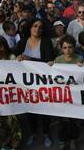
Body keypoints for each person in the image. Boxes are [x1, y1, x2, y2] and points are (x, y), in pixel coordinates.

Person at [14, 18, 55, 147]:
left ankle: (46, 133)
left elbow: (48, 61)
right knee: (30, 110)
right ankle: (32, 133)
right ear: (29, 28)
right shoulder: (22, 42)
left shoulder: (47, 42)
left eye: (40, 27)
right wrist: (18, 57)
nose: (37, 29)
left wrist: (29, 58)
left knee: (44, 110)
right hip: (26, 83)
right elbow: (13, 56)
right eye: (35, 26)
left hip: (42, 82)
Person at [0, 36, 22, 150]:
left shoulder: (11, 58)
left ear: (1, 47)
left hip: (12, 97)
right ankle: (5, 144)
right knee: (0, 124)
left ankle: (15, 145)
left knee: (13, 123)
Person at [49, 34, 82, 150]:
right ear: (61, 48)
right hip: (62, 96)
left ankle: (73, 140)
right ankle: (62, 140)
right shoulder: (58, 60)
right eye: (65, 47)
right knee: (62, 121)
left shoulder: (79, 59)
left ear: (74, 47)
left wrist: (83, 66)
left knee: (73, 120)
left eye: (70, 47)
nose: (68, 50)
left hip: (75, 96)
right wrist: (50, 66)